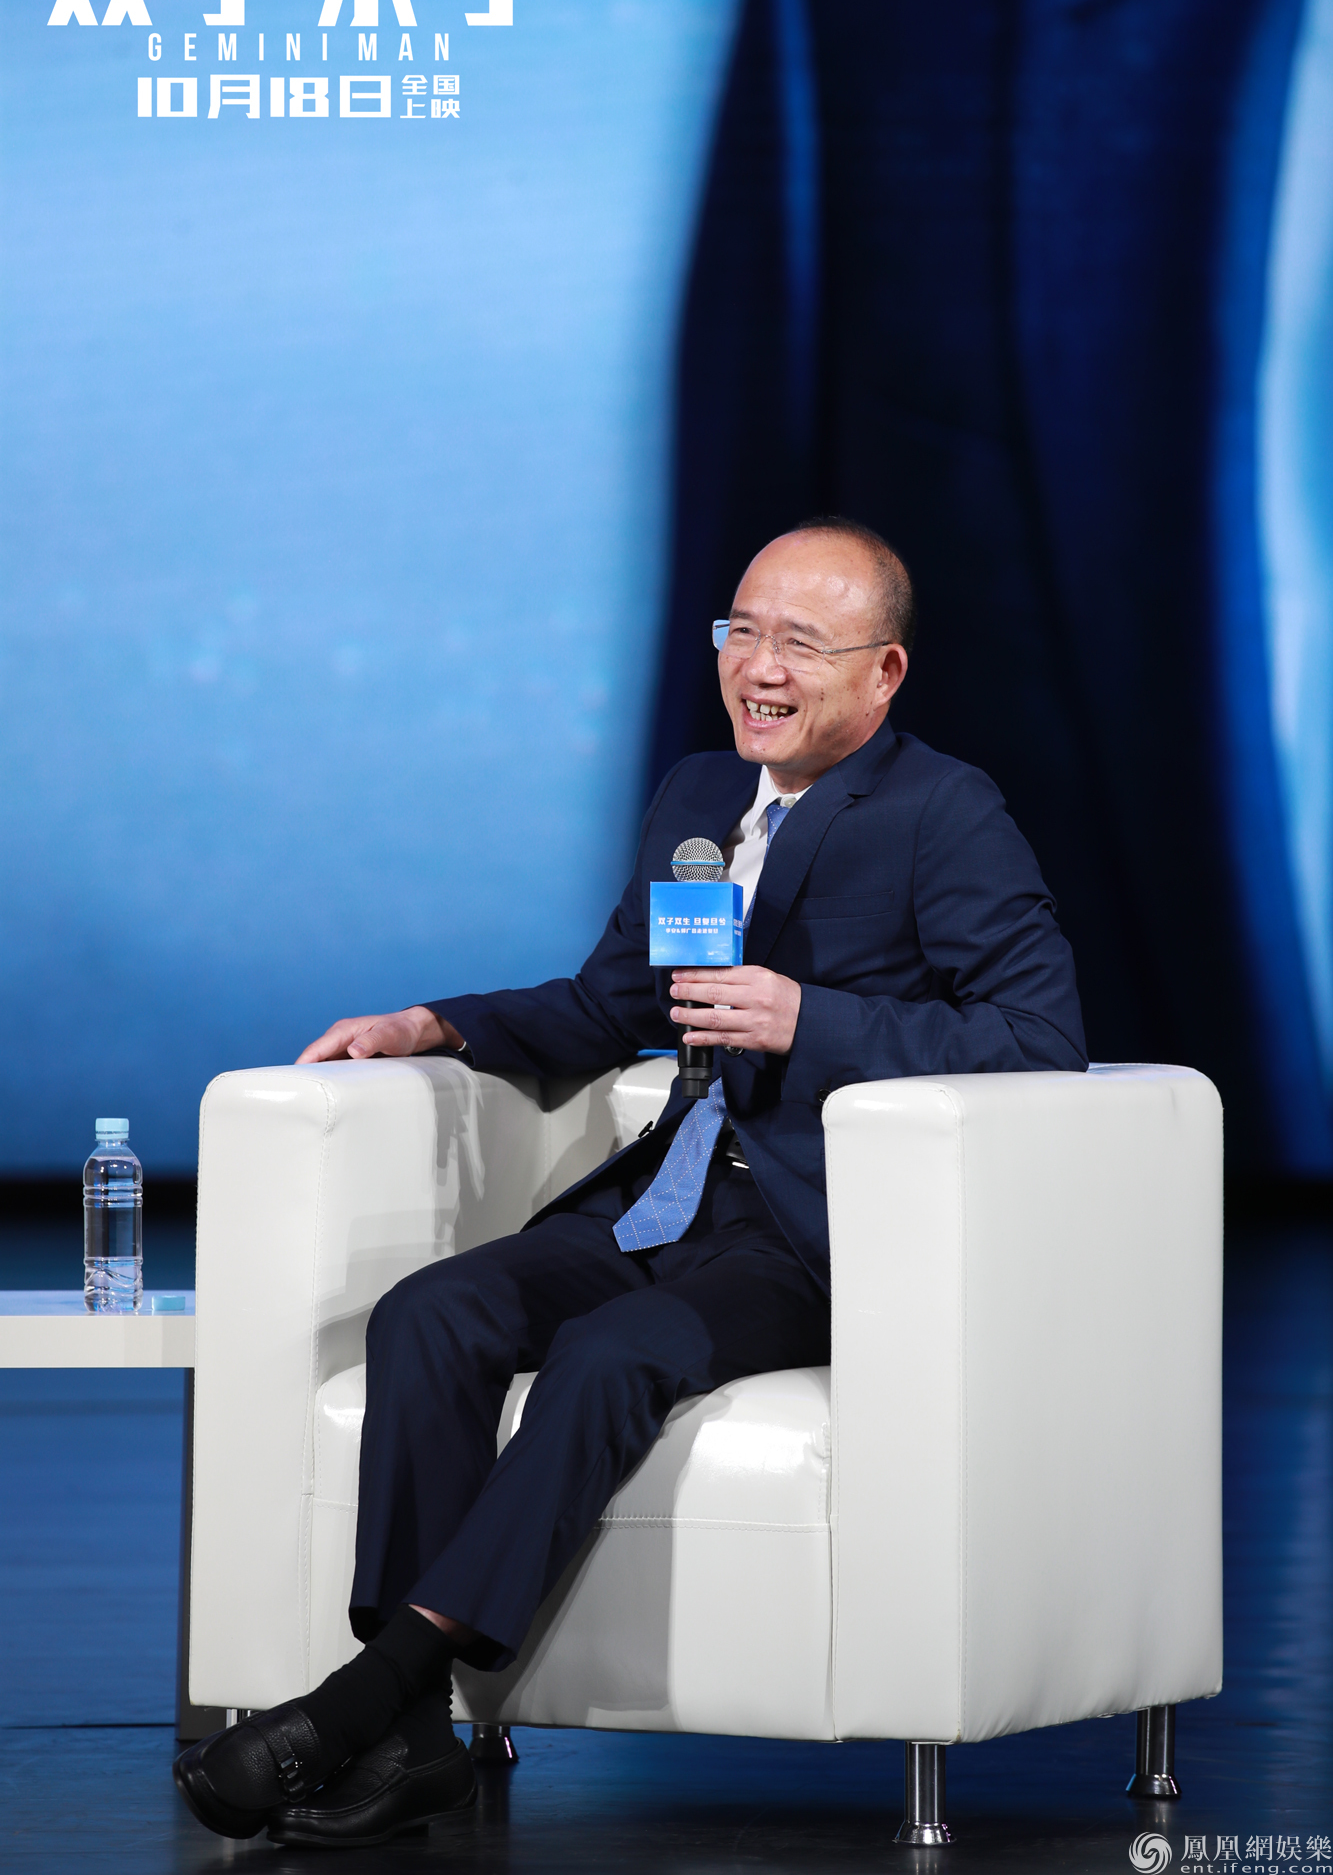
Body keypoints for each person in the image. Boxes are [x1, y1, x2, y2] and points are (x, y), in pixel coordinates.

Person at [174, 517, 1087, 1848]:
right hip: (665, 1197)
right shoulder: (696, 799)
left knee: (611, 1355)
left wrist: (808, 1020)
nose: (760, 669)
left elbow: (1037, 1037)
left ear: (883, 672)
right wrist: (433, 1024)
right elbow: (615, 1006)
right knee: (431, 1313)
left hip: (811, 1231)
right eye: (742, 632)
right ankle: (415, 1742)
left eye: (802, 644)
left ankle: (363, 1698)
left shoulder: (944, 813)